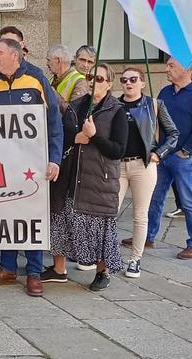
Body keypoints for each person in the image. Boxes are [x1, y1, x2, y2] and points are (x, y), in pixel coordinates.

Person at [0, 38, 62, 297]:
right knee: (6, 214)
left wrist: (55, 158)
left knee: (30, 215)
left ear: (14, 55)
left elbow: (54, 121)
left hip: (32, 163)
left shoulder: (37, 79)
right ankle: (7, 267)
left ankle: (34, 272)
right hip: (1, 164)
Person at [42, 64, 127, 292]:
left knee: (98, 226)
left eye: (99, 78)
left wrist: (94, 137)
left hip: (97, 178)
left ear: (109, 84)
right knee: (61, 218)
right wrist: (76, 138)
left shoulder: (116, 111)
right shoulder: (76, 106)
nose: (93, 82)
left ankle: (102, 271)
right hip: (71, 174)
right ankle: (58, 268)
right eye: (90, 77)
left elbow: (118, 150)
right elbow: (63, 134)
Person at [146, 56, 192, 260]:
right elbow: (156, 121)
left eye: (172, 65)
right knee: (154, 197)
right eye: (167, 65)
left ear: (187, 68)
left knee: (189, 200)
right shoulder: (165, 92)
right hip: (163, 155)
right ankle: (147, 236)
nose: (167, 69)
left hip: (184, 156)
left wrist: (187, 150)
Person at [116, 67, 179, 278]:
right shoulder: (115, 104)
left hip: (143, 165)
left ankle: (135, 259)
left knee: (140, 215)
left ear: (142, 83)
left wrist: (159, 154)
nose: (128, 83)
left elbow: (173, 134)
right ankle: (106, 255)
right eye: (124, 80)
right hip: (118, 165)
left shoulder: (154, 105)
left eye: (133, 79)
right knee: (110, 211)